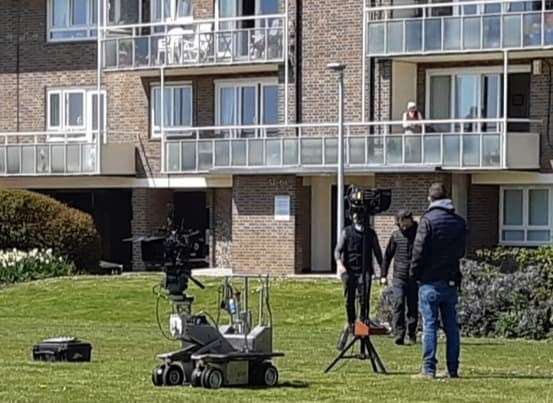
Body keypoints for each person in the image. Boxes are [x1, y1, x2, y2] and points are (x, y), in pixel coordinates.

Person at [410, 183, 467, 379]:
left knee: (430, 325)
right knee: (451, 327)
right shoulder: (458, 222)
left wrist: (414, 274)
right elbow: (461, 251)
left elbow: (418, 251)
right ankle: (453, 369)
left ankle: (428, 369)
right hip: (451, 279)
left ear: (430, 199)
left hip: (429, 281)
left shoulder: (427, 221)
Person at [334, 211, 383, 350]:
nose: (358, 219)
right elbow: (338, 250)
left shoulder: (370, 234)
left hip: (365, 271)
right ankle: (350, 324)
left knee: (364, 299)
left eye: (361, 217)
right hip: (349, 271)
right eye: (356, 217)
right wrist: (339, 264)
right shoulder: (347, 232)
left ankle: (363, 323)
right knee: (349, 300)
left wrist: (383, 272)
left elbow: (378, 253)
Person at [381, 210, 419, 346]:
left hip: (414, 276)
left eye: (403, 222)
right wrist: (383, 275)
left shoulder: (419, 234)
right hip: (399, 276)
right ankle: (399, 334)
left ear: (409, 220)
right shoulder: (396, 236)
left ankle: (411, 334)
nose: (402, 226)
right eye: (399, 223)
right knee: (398, 303)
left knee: (412, 306)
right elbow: (387, 256)